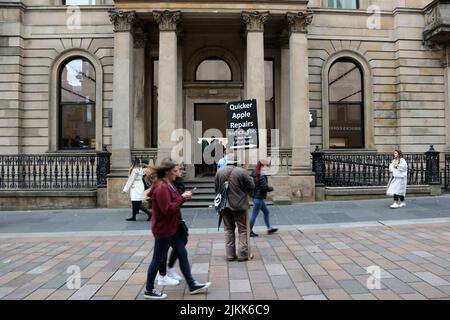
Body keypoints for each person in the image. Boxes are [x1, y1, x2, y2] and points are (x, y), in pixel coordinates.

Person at [144, 158, 211, 299]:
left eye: (178, 170)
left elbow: (171, 203)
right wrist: (183, 198)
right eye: (175, 171)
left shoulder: (168, 183)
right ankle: (149, 290)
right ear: (167, 172)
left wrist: (181, 197)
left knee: (182, 252)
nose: (178, 173)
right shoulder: (162, 187)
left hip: (172, 227)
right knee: (157, 259)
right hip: (164, 229)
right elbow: (168, 209)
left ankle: (192, 284)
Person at [215, 153, 255, 262]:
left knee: (228, 230)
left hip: (224, 206)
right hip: (239, 205)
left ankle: (230, 254)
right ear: (237, 162)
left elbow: (217, 189)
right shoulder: (242, 172)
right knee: (242, 229)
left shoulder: (219, 172)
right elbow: (252, 186)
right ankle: (242, 254)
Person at [249, 160, 278, 237]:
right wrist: (271, 188)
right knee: (254, 215)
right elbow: (264, 187)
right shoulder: (261, 175)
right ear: (262, 166)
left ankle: (269, 228)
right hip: (258, 198)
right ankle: (249, 231)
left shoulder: (254, 173)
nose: (267, 167)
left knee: (266, 212)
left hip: (258, 197)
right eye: (266, 166)